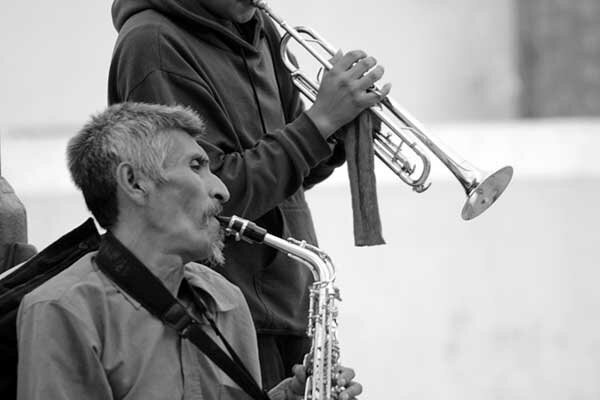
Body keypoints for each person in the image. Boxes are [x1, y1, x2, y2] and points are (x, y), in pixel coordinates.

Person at [108, 0, 390, 389]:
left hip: (290, 295)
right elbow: (207, 197)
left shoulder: (259, 27)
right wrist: (319, 122)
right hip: (219, 310)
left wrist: (338, 131)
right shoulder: (152, 43)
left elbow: (290, 167)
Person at [16, 102, 362, 400]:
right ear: (135, 182)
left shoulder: (227, 298)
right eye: (196, 166)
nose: (223, 190)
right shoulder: (61, 310)